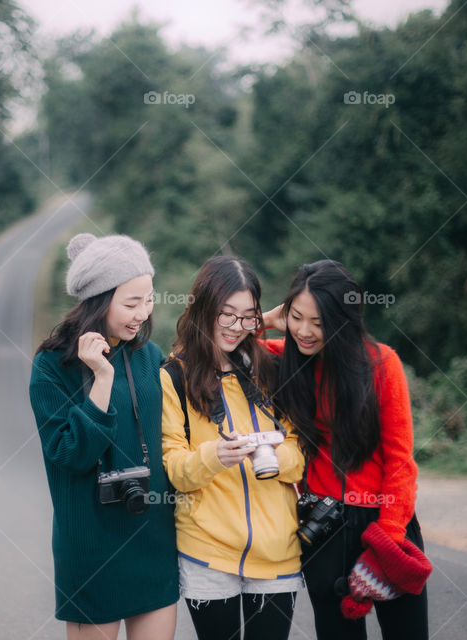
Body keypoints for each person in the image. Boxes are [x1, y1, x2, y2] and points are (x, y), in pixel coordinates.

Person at [262, 259, 432, 640]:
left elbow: (400, 461)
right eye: (296, 317)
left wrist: (387, 540)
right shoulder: (283, 358)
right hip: (323, 527)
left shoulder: (382, 364)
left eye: (319, 322)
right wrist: (267, 319)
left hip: (385, 524)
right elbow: (213, 343)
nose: (304, 332)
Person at [28, 233, 178, 640]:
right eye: (131, 303)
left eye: (149, 300)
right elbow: (69, 454)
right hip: (90, 544)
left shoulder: (149, 355)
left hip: (152, 535)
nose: (143, 314)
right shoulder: (51, 367)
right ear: (98, 300)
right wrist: (102, 379)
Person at [160, 255, 305, 640]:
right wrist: (215, 457)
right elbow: (174, 467)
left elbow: (300, 449)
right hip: (207, 553)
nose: (236, 327)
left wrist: (272, 455)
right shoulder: (174, 376)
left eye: (247, 317)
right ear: (203, 308)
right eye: (226, 314)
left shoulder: (271, 368)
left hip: (278, 551)